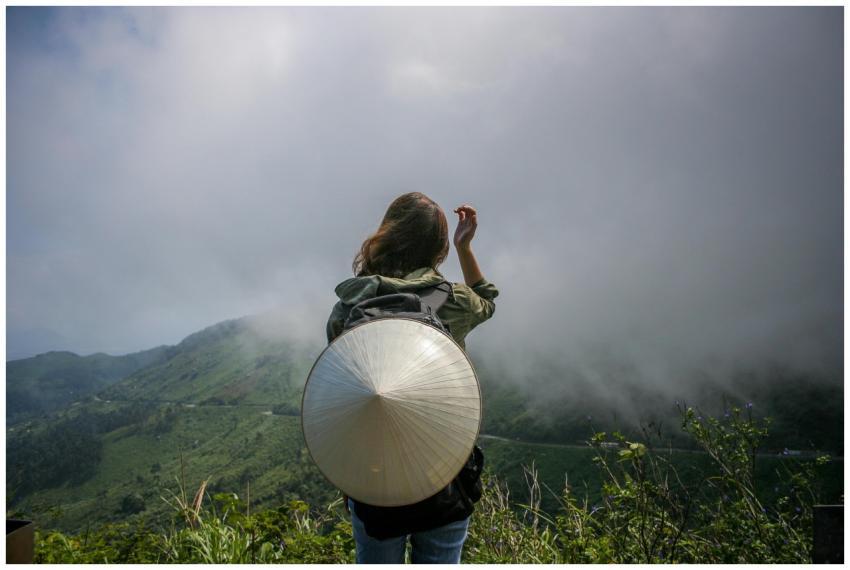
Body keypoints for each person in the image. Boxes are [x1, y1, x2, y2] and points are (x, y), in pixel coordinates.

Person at [325, 192, 499, 564]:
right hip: (445, 468)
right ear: (437, 248)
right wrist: (465, 247)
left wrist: (347, 473)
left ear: (387, 233)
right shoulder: (455, 301)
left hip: (374, 472)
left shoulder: (350, 307)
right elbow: (487, 298)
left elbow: (344, 397)